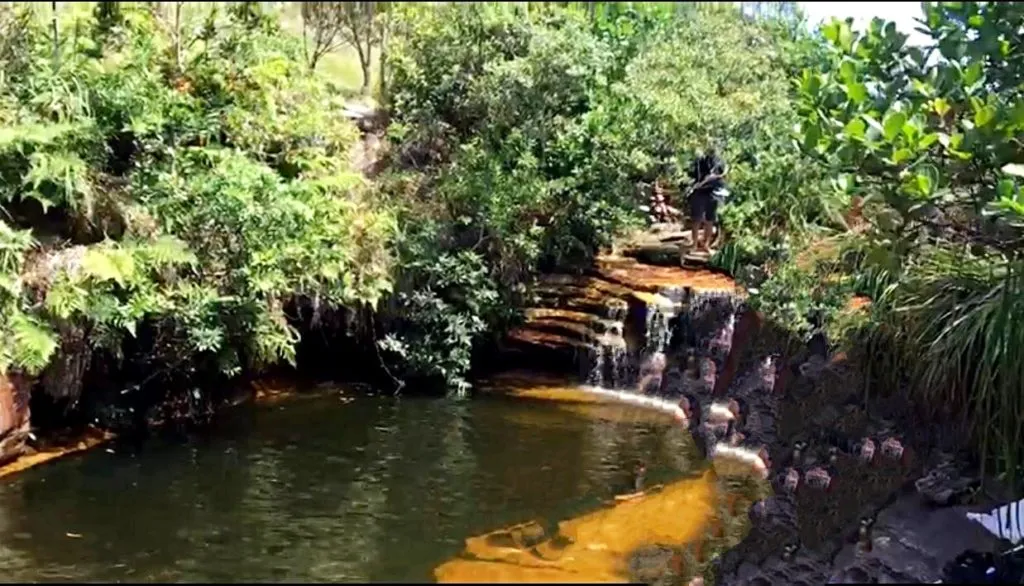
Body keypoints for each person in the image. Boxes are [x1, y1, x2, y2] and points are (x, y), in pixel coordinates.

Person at [686, 145, 728, 254]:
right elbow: (691, 175)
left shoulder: (719, 162)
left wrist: (717, 178)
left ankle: (706, 245)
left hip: (713, 193)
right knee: (696, 219)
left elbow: (723, 175)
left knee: (710, 220)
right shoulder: (699, 161)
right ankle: (694, 245)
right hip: (699, 192)